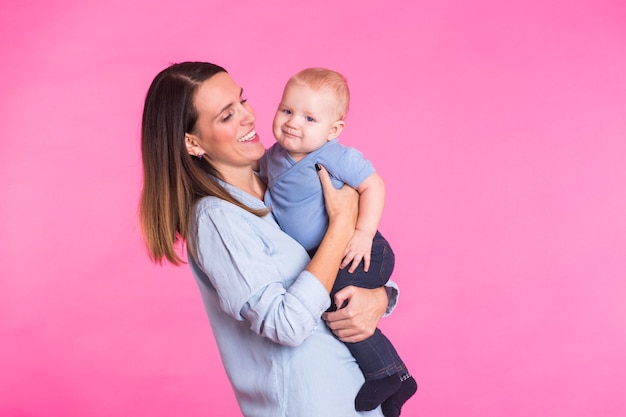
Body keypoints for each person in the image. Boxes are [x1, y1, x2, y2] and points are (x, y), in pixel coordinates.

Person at [139, 61, 401, 417]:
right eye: (226, 115)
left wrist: (380, 297)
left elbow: (338, 271)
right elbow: (287, 324)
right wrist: (341, 226)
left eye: (242, 101)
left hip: (354, 397)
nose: (248, 116)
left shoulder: (284, 176)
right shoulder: (217, 219)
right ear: (192, 141)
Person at [258, 68, 417, 416]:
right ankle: (397, 378)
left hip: (364, 250)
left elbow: (374, 185)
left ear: (333, 130)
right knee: (331, 297)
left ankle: (386, 374)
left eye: (309, 118)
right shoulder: (272, 157)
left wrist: (361, 233)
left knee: (338, 297)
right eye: (286, 110)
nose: (292, 123)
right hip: (329, 252)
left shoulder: (332, 155)